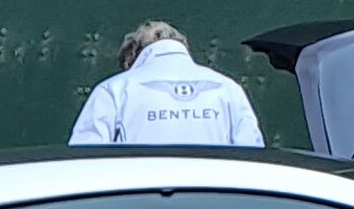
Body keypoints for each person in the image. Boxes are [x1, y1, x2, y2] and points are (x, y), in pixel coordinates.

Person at [68, 22, 267, 148]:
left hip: (137, 206)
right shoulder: (227, 88)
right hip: (214, 205)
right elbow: (252, 154)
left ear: (130, 59)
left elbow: (85, 158)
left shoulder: (114, 89)